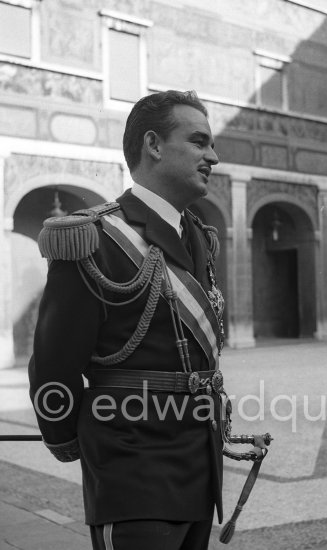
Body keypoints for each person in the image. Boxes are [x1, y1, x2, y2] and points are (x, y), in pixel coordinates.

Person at [28, 90, 227, 550]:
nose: (212, 156)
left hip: (199, 470)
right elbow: (54, 364)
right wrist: (74, 440)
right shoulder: (91, 238)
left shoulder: (198, 236)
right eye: (198, 142)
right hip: (132, 474)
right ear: (153, 145)